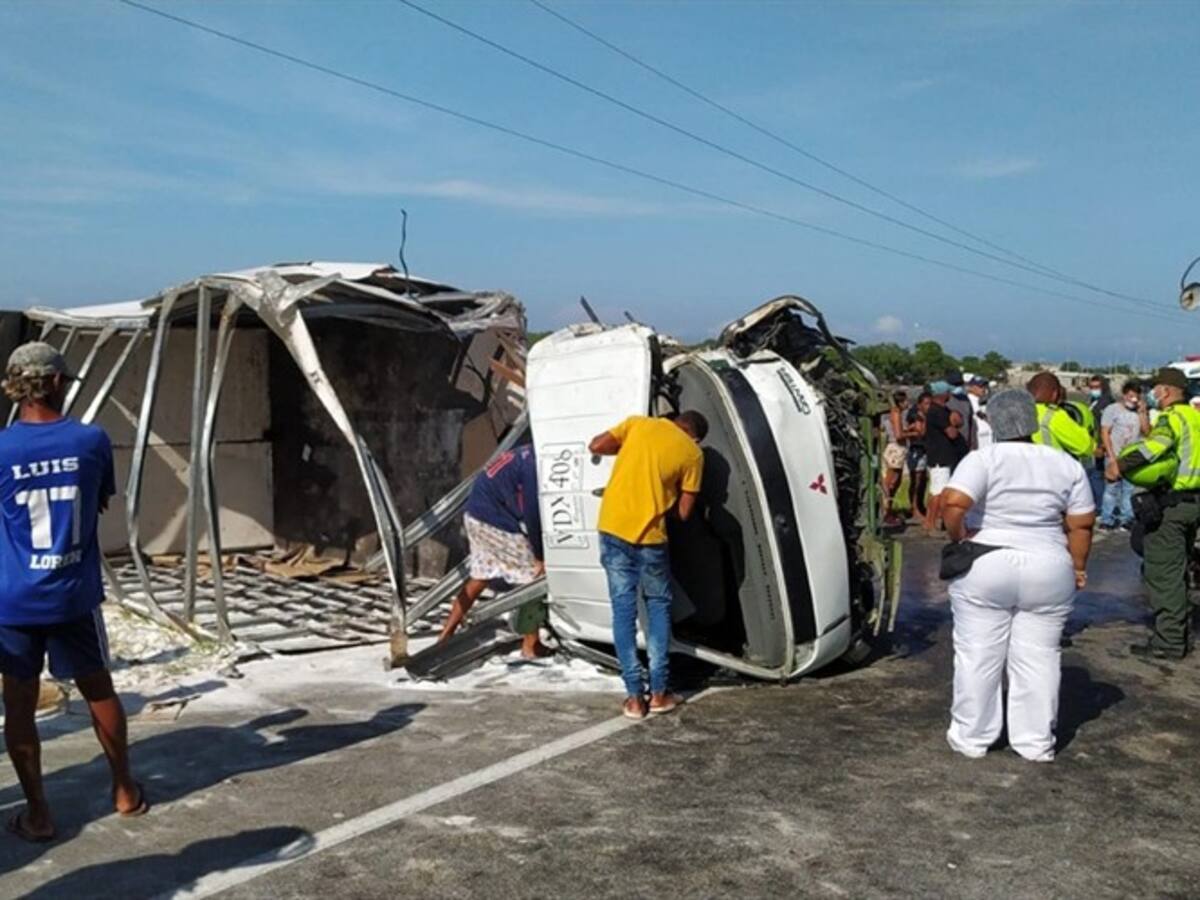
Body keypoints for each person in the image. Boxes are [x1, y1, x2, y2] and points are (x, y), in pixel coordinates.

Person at [0, 342, 147, 843]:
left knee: (18, 707)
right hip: (73, 596)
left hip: (13, 601)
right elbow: (101, 502)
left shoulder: (2, 450)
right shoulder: (92, 440)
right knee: (98, 690)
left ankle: (39, 813)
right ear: (58, 383)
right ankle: (124, 789)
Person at [941, 389, 1095, 762]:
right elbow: (1081, 524)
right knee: (1040, 657)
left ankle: (972, 737)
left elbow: (954, 503)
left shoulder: (983, 459)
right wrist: (1077, 567)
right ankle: (1034, 742)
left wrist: (961, 537)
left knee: (978, 653)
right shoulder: (1064, 464)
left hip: (988, 562)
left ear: (992, 421)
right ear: (1032, 421)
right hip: (1048, 564)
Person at [589, 411, 707, 719]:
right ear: (695, 436)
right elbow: (683, 513)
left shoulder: (637, 424)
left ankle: (633, 698)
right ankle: (658, 694)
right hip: (652, 539)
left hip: (614, 529)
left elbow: (597, 445)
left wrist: (629, 452)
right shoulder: (693, 454)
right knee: (657, 607)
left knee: (623, 611)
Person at [1111, 368, 1200, 660]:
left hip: (1173, 504)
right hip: (1194, 504)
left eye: (1156, 389)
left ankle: (1169, 642)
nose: (1153, 393)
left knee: (1163, 573)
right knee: (1180, 570)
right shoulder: (1196, 417)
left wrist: (1120, 466)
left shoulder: (1173, 419)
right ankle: (1179, 632)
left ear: (1165, 391)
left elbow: (1153, 448)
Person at [437, 444, 549, 659]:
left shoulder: (524, 453)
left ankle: (445, 635)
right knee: (533, 578)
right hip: (494, 520)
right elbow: (532, 512)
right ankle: (531, 645)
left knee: (481, 574)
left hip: (475, 515)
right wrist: (540, 555)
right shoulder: (532, 465)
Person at [1098, 381, 1150, 530]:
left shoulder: (1139, 411)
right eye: (1130, 395)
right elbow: (1105, 432)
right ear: (1124, 395)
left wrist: (1142, 413)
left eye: (1136, 396)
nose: (1133, 399)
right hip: (1115, 453)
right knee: (1111, 489)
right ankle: (1107, 519)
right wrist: (1111, 454)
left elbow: (1147, 432)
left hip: (1132, 457)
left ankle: (1126, 518)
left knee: (1129, 489)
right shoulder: (1112, 409)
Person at [923, 381, 967, 533]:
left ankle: (932, 522)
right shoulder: (936, 412)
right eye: (948, 393)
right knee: (938, 492)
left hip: (944, 456)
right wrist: (953, 425)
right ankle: (931, 524)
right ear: (943, 395)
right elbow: (952, 433)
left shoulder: (943, 410)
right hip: (939, 457)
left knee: (937, 490)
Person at [1026, 372, 1095, 459]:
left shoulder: (1016, 410)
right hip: (1052, 469)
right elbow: (1086, 448)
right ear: (1055, 394)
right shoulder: (1053, 415)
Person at [881, 391, 909, 526]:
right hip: (896, 448)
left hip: (897, 448)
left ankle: (888, 510)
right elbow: (898, 435)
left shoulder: (895, 414)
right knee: (890, 482)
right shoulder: (896, 413)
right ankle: (886, 512)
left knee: (895, 482)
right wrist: (913, 432)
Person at [904, 392, 932, 521]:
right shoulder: (916, 414)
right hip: (917, 448)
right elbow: (921, 431)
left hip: (926, 448)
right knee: (916, 480)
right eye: (926, 404)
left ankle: (920, 505)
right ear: (920, 404)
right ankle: (914, 507)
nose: (929, 406)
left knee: (923, 480)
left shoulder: (927, 414)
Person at [945, 370, 976, 450]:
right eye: (955, 385)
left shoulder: (965, 399)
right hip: (950, 447)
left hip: (966, 445)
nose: (958, 387)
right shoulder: (944, 401)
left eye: (959, 384)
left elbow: (971, 423)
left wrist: (973, 445)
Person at [966, 376, 992, 449]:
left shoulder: (981, 400)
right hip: (980, 437)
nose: (983, 389)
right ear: (971, 387)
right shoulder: (969, 400)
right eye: (980, 386)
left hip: (987, 436)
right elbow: (981, 415)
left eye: (984, 386)